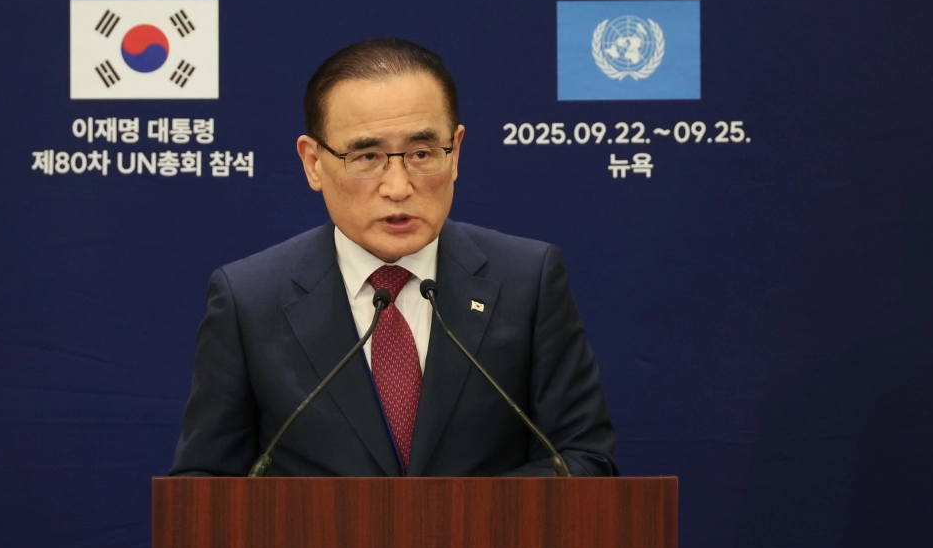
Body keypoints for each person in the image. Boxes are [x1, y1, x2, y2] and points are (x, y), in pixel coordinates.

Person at [170, 38, 616, 476]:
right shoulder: (250, 299)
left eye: (422, 154)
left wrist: (458, 515)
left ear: (455, 152)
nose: (398, 187)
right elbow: (206, 485)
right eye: (366, 156)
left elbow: (582, 460)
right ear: (313, 162)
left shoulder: (527, 280)